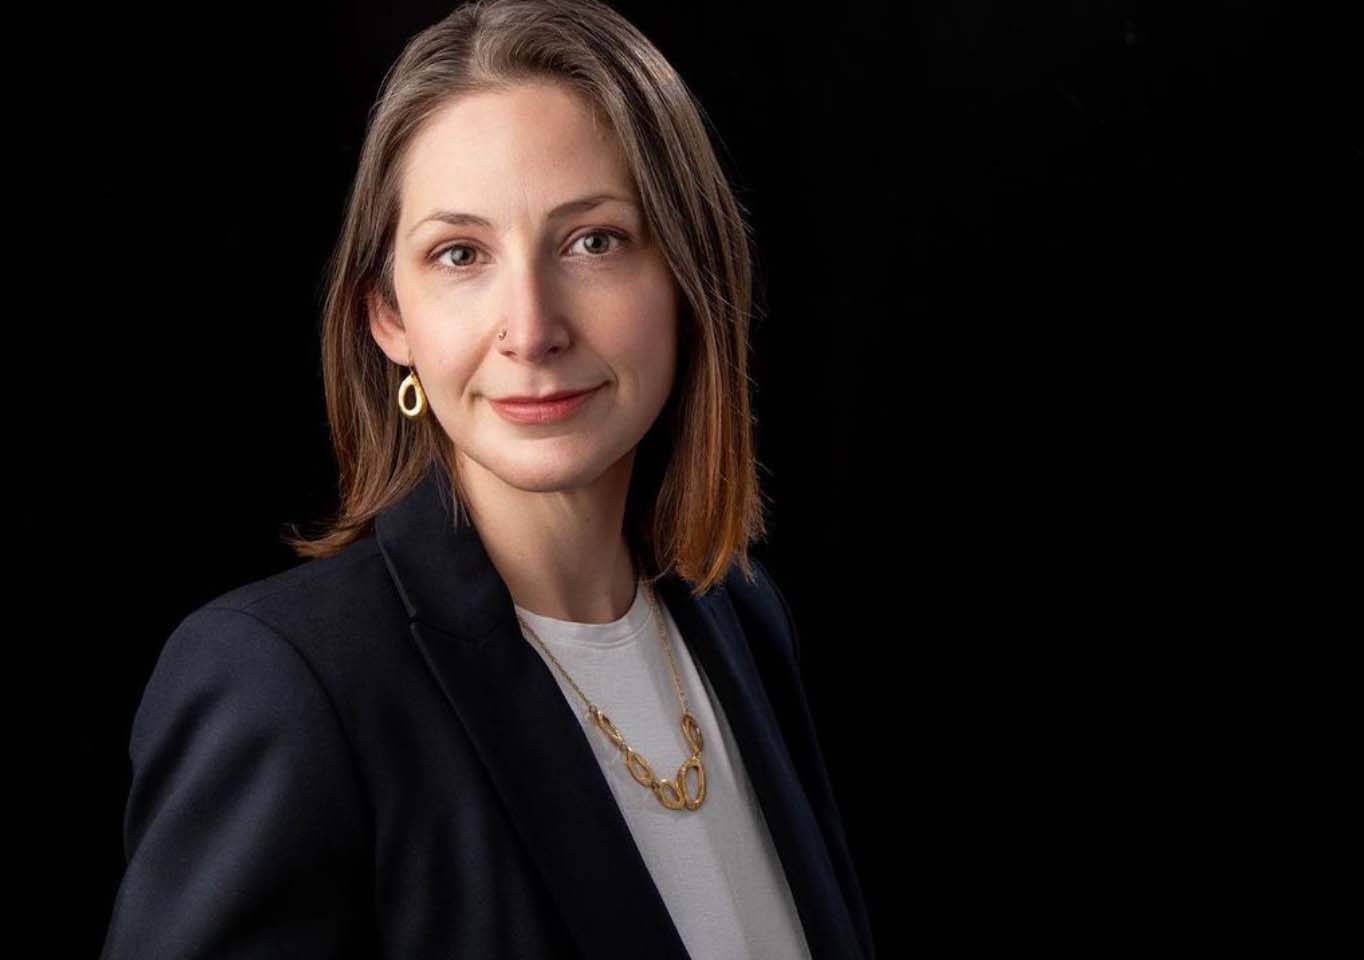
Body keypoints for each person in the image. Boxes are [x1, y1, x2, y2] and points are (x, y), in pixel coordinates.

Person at [99, 1, 875, 957]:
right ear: (390, 317)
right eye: (460, 255)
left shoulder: (742, 620)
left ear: (688, 273)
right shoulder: (286, 686)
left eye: (593, 241)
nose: (531, 329)